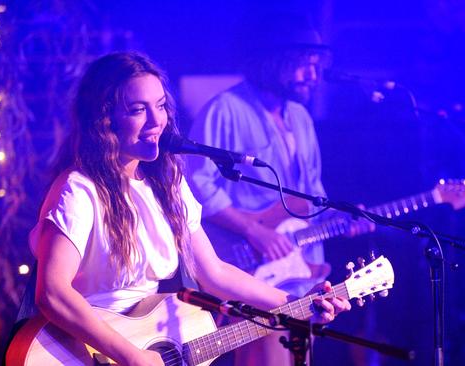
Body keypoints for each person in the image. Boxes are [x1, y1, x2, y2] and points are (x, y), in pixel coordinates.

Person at [28, 51, 349, 366]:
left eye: (160, 106)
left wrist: (294, 302)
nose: (157, 121)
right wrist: (131, 356)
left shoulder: (168, 182)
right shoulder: (79, 189)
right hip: (88, 348)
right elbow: (52, 293)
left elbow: (214, 272)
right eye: (138, 110)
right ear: (104, 120)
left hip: (146, 338)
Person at [187, 14, 373, 366]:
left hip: (300, 271)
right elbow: (196, 185)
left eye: (316, 65)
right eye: (303, 64)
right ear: (273, 61)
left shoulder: (300, 117)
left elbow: (311, 195)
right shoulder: (225, 109)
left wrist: (341, 216)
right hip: (247, 268)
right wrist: (253, 230)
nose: (312, 75)